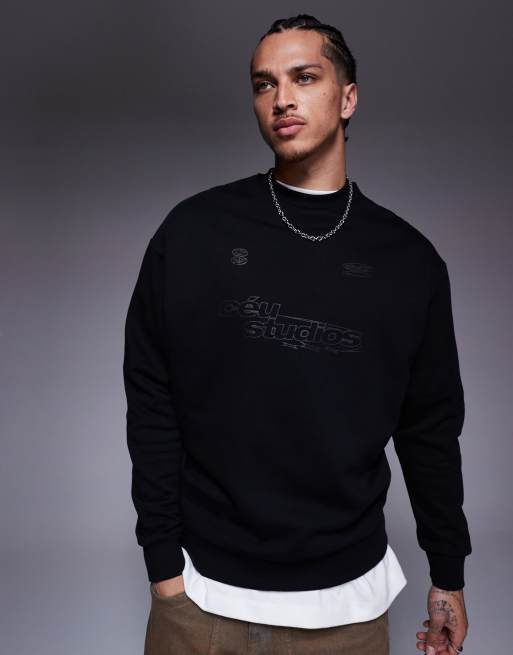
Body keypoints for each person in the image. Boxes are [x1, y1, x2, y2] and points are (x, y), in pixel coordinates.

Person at [123, 13, 471, 655]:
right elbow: (150, 398)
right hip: (201, 598)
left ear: (348, 97)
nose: (281, 98)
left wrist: (447, 574)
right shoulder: (194, 233)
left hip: (348, 605)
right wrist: (163, 566)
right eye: (265, 84)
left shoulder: (408, 261)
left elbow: (429, 428)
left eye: (304, 77)